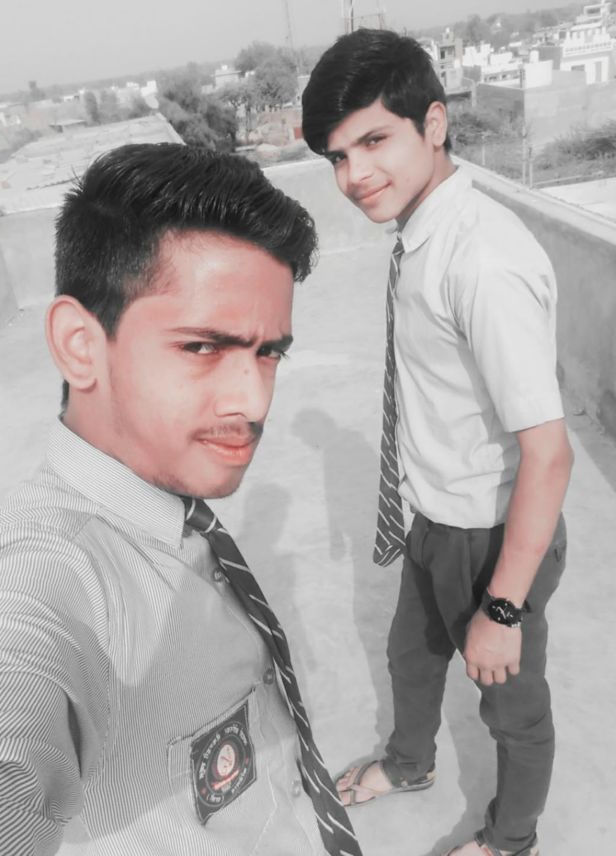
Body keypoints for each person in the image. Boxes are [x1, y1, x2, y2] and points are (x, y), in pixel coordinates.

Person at [0, 144, 362, 856]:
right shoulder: (47, 575)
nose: (253, 401)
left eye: (269, 352)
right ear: (80, 345)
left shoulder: (173, 509)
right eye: (203, 348)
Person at [301, 29, 573, 856]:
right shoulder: (421, 233)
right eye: (338, 156)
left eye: (374, 141)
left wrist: (502, 608)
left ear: (434, 124)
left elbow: (550, 452)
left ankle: (510, 840)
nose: (355, 176)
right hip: (435, 516)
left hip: (491, 537)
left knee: (512, 709)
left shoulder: (480, 260)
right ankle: (409, 764)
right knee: (411, 660)